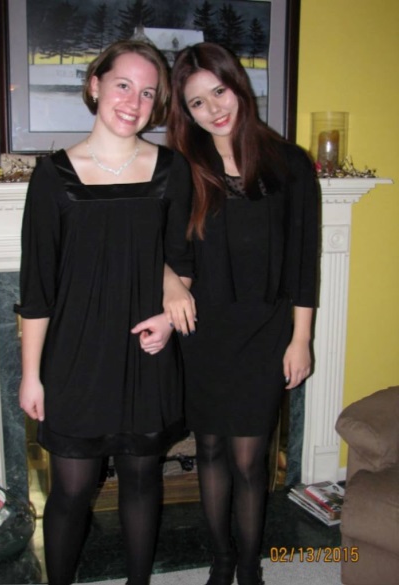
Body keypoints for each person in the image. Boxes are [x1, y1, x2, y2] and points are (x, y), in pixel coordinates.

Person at [15, 40, 195, 585]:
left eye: (147, 93)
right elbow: (37, 288)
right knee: (70, 491)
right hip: (75, 357)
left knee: (142, 481)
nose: (133, 102)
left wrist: (168, 319)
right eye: (123, 85)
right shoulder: (53, 177)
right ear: (95, 85)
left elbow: (181, 263)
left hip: (145, 352)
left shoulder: (172, 170)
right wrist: (30, 374)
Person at [166, 43, 320, 585]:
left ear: (238, 85)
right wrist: (168, 282)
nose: (213, 108)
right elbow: (160, 248)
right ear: (187, 113)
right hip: (203, 333)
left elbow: (303, 259)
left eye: (219, 91)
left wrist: (301, 338)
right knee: (209, 448)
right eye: (197, 102)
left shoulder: (290, 164)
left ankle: (250, 565)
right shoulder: (182, 169)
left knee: (251, 460)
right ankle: (222, 559)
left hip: (267, 331)